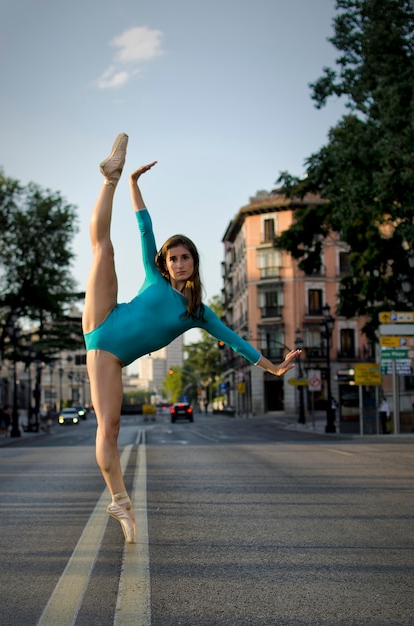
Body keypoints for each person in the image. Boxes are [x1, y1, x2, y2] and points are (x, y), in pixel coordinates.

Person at [82, 133, 301, 543]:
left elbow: (237, 341)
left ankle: (120, 501)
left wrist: (273, 367)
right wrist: (130, 184)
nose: (179, 263)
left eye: (185, 258)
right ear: (164, 262)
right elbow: (145, 227)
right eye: (173, 258)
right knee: (104, 249)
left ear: (194, 263)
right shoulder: (153, 275)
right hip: (101, 320)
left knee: (110, 428)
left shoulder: (197, 313)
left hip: (109, 355)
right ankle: (106, 178)